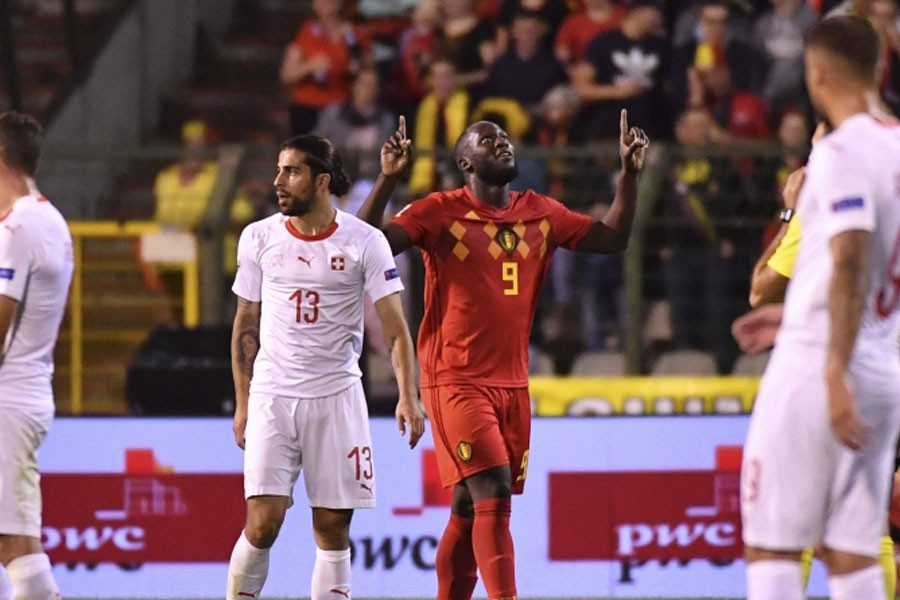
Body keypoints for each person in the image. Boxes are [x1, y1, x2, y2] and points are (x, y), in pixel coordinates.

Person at [358, 111, 648, 599]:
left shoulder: (540, 211)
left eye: (505, 138)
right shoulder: (439, 211)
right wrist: (388, 179)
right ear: (465, 161)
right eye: (488, 140)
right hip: (455, 378)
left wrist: (630, 176)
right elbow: (366, 243)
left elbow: (612, 238)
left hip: (513, 383)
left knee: (468, 507)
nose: (502, 144)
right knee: (492, 492)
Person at [739, 16, 900, 600]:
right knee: (854, 550)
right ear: (880, 66)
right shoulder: (896, 146)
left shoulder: (837, 150)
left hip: (821, 368)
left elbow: (853, 255)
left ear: (817, 72)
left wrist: (833, 368)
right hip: (884, 366)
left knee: (771, 543)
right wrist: (795, 311)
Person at [225, 135, 425, 600]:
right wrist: (242, 403)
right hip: (273, 395)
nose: (278, 181)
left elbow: (395, 328)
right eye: (278, 169)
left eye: (290, 171)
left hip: (337, 398)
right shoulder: (258, 237)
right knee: (263, 520)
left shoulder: (365, 242)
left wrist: (408, 395)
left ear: (321, 181)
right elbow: (246, 326)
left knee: (332, 528)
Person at [0, 111, 73, 599]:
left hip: (6, 399)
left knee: (15, 541)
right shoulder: (51, 220)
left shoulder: (17, 228)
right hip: (27, 391)